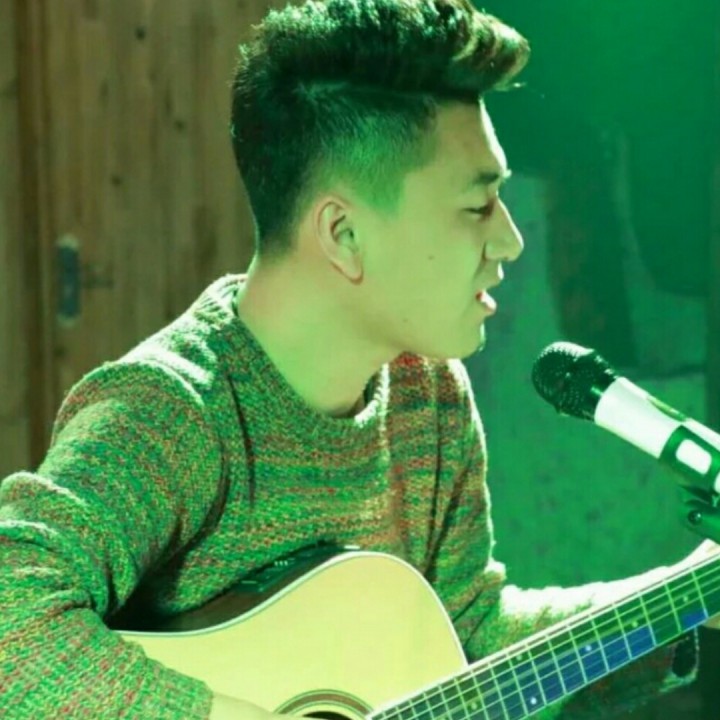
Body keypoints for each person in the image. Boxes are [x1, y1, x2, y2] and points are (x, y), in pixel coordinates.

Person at [0, 0, 716, 718]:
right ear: (343, 234)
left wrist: (689, 598)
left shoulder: (428, 394)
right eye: (478, 206)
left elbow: (467, 640)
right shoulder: (167, 411)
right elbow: (12, 623)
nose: (510, 240)